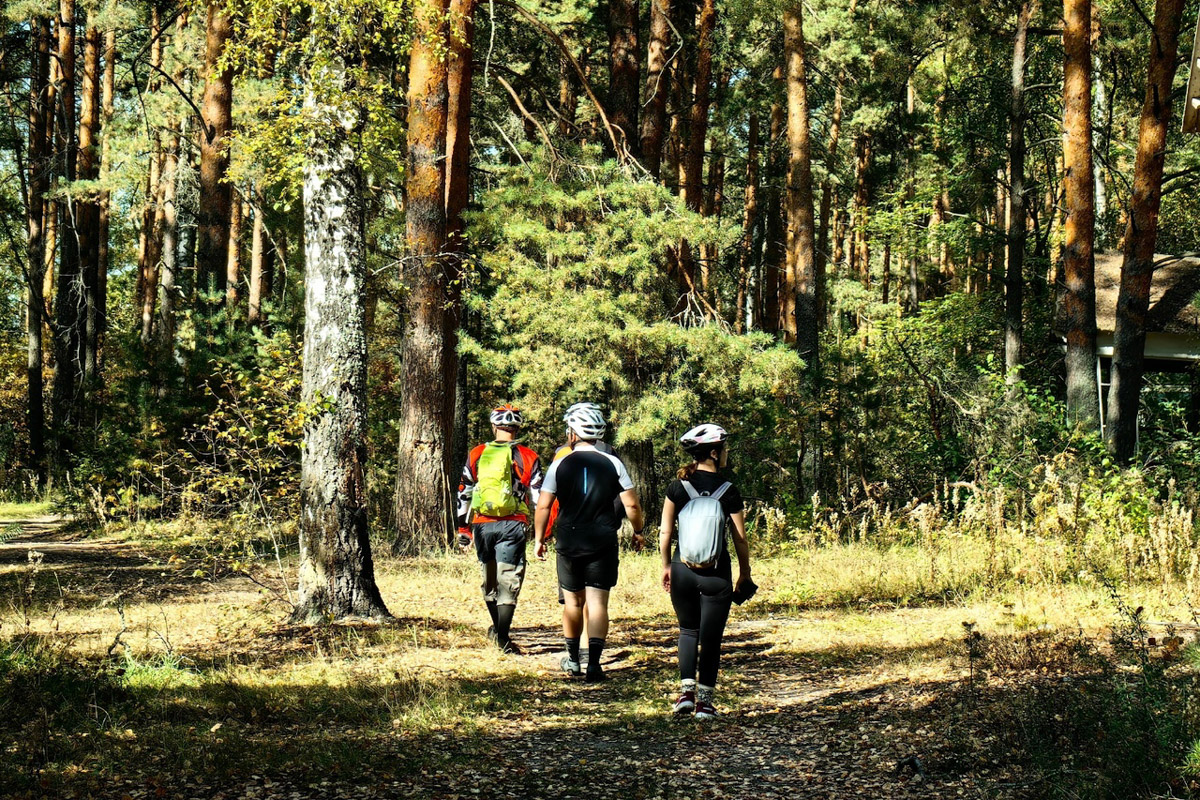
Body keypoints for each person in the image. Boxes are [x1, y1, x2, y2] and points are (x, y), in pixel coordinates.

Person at [534, 403, 644, 682]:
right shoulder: (613, 463)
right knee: (597, 602)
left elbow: (543, 505)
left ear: (572, 433)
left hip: (569, 538)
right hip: (603, 538)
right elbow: (631, 504)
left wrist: (539, 538)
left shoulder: (559, 463)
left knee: (572, 602)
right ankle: (594, 664)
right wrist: (638, 530)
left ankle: (573, 660)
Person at [658, 423, 751, 719]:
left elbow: (665, 532)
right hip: (717, 573)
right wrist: (745, 573)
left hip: (681, 569)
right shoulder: (728, 490)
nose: (726, 453)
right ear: (713, 452)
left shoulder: (677, 487)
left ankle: (686, 695)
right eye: (724, 449)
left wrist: (666, 566)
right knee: (711, 639)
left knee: (688, 631)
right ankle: (705, 703)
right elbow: (739, 538)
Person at [456, 404, 543, 654]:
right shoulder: (528, 456)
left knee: (490, 578)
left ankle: (497, 630)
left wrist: (463, 528)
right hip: (514, 524)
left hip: (483, 523)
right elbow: (539, 497)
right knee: (509, 578)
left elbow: (464, 491)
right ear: (517, 428)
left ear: (494, 426)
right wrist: (542, 532)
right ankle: (503, 637)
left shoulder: (477, 453)